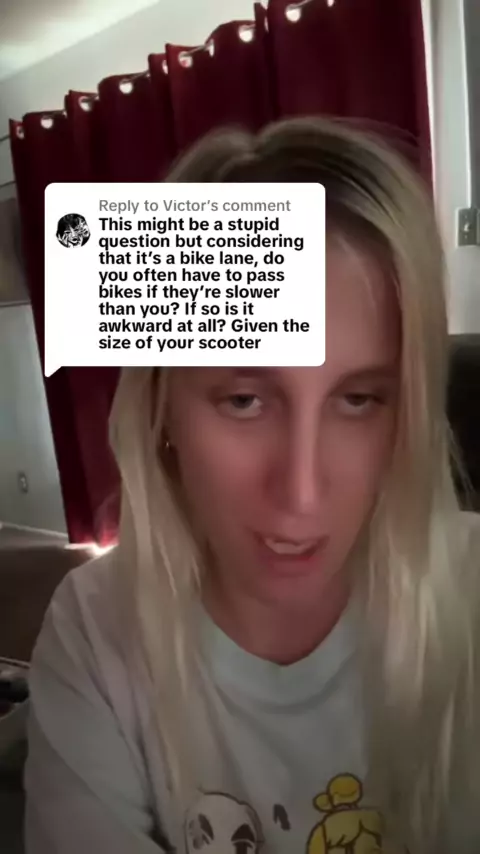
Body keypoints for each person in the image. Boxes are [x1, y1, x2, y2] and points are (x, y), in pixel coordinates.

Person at [25, 117, 480, 854]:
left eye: (359, 400)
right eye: (244, 400)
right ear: (163, 406)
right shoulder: (95, 632)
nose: (301, 494)